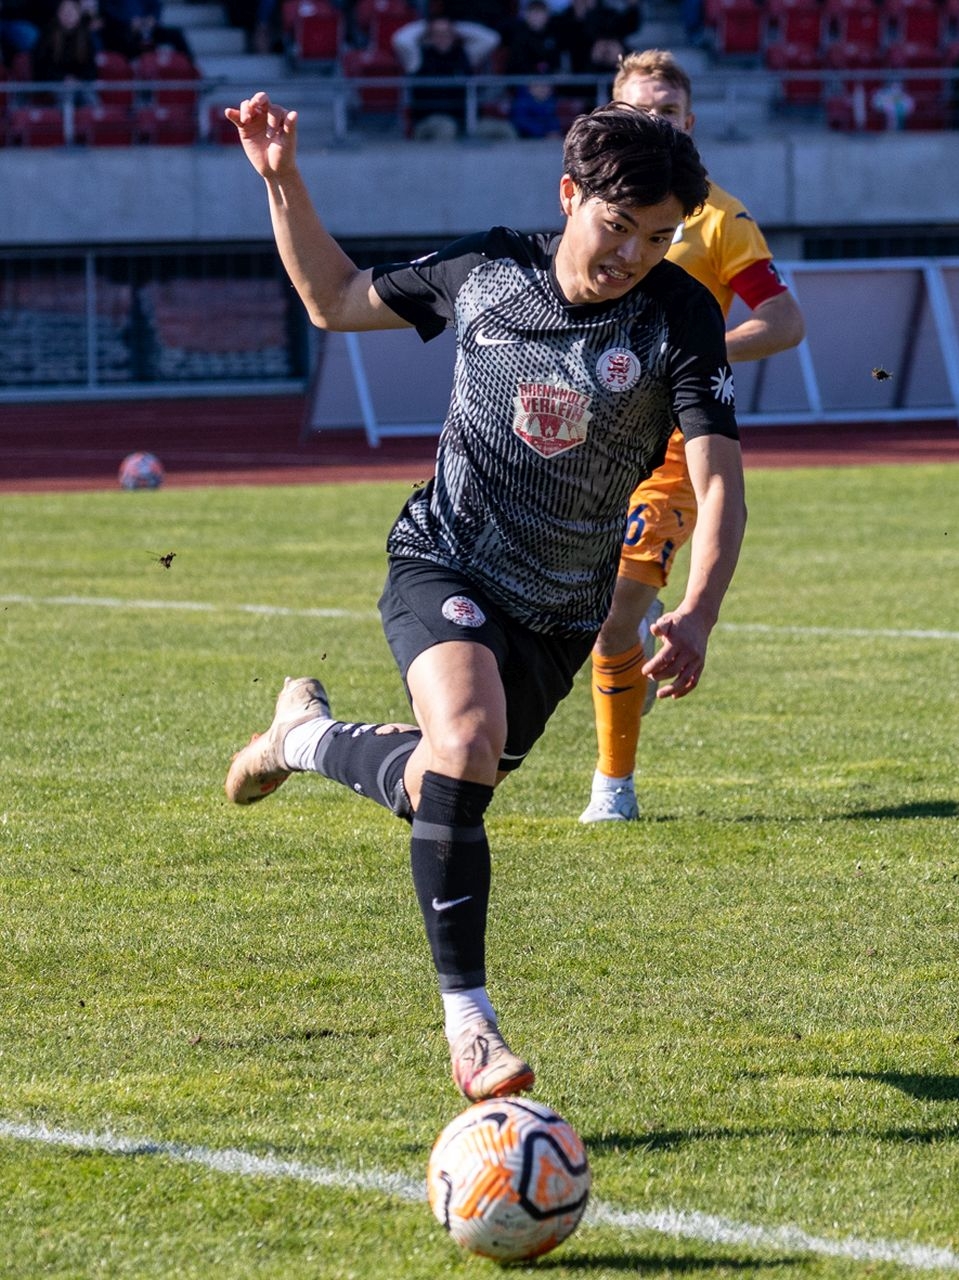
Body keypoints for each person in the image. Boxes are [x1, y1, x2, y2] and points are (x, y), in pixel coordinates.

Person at [221, 92, 745, 1100]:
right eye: (618, 227)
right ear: (569, 195)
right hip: (445, 560)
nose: (635, 252)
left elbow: (718, 479)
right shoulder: (489, 270)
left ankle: (301, 737)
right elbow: (333, 298)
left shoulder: (680, 315)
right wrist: (283, 181)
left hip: (560, 615)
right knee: (462, 742)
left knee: (442, 785)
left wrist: (702, 608)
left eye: (660, 236)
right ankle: (472, 1026)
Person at [578, 48, 805, 823]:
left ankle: (614, 787)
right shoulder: (591, 208)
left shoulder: (715, 217)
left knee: (613, 618)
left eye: (667, 116)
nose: (655, 126)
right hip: (580, 437)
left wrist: (692, 354)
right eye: (640, 114)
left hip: (674, 443)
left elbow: (783, 322)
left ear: (689, 122)